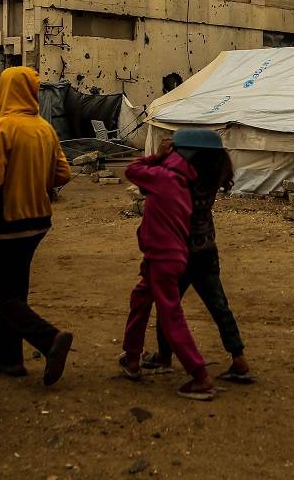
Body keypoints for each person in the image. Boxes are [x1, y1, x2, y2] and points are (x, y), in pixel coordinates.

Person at [0, 66, 75, 385]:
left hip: (7, 221)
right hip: (38, 221)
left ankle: (49, 339)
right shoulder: (44, 128)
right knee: (14, 290)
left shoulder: (2, 127)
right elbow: (63, 175)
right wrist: (36, 179)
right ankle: (5, 358)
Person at [141, 130, 252, 383]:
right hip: (206, 250)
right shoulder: (215, 174)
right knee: (218, 305)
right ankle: (238, 358)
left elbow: (147, 185)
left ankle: (164, 356)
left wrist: (159, 157)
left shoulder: (178, 180)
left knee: (168, 306)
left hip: (176, 251)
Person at [118, 131, 216, 401]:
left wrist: (156, 157)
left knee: (171, 315)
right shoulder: (184, 183)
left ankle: (200, 376)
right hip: (166, 255)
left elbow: (132, 169)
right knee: (140, 299)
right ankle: (132, 356)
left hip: (161, 257)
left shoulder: (164, 178)